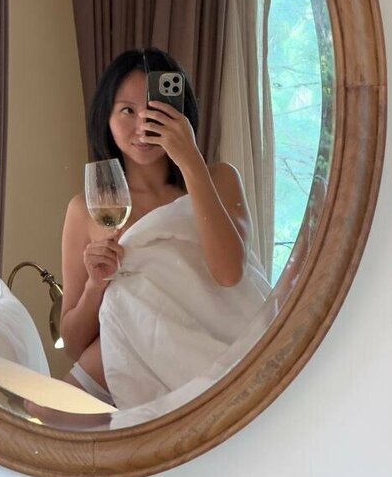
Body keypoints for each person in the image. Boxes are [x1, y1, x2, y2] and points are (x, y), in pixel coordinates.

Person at [60, 48, 269, 409]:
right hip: (136, 364)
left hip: (228, 352)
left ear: (180, 111)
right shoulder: (88, 209)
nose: (143, 124)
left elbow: (229, 273)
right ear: (105, 118)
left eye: (155, 107)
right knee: (45, 416)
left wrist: (189, 159)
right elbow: (74, 344)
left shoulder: (220, 179)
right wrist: (96, 285)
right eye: (127, 110)